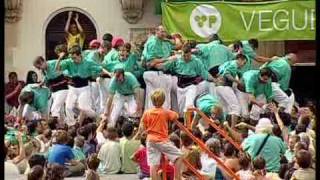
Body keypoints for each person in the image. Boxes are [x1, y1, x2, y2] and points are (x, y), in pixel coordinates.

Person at [55, 45, 112, 126]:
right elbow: (57, 69)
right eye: (72, 58)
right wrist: (60, 58)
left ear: (80, 55)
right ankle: (72, 125)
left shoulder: (88, 62)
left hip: (84, 87)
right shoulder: (69, 61)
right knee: (68, 107)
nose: (73, 60)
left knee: (84, 108)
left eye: (74, 57)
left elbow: (100, 68)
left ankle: (97, 117)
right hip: (73, 87)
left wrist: (109, 73)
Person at [156, 43, 215, 118]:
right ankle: (183, 123)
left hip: (191, 84)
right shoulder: (176, 59)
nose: (186, 58)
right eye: (184, 56)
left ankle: (190, 124)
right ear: (181, 53)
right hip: (180, 84)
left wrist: (214, 79)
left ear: (191, 53)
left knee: (189, 105)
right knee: (181, 107)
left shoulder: (196, 61)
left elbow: (204, 73)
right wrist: (155, 64)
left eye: (188, 56)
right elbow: (164, 67)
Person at [137, 89, 182, 180]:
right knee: (179, 156)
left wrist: (144, 131)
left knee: (153, 165)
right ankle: (177, 178)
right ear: (163, 100)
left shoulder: (147, 112)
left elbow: (142, 125)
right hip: (162, 140)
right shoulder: (165, 112)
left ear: (152, 100)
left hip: (150, 140)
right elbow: (176, 116)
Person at [142, 25, 177, 110]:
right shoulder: (153, 42)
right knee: (158, 100)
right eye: (161, 31)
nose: (163, 34)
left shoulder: (165, 42)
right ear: (156, 31)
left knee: (165, 100)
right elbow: (151, 62)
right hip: (155, 73)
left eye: (165, 32)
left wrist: (172, 38)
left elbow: (178, 44)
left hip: (165, 74)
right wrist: (168, 59)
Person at [33, 53, 69, 122]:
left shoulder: (53, 63)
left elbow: (66, 67)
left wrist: (69, 75)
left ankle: (54, 125)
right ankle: (63, 125)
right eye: (38, 68)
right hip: (54, 91)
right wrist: (41, 83)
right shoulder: (44, 71)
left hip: (62, 88)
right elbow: (46, 77)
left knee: (54, 109)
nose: (40, 69)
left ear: (43, 61)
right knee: (60, 110)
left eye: (40, 66)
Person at [216, 53, 248, 127]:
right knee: (236, 107)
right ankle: (233, 129)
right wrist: (238, 82)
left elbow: (219, 72)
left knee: (225, 109)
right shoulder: (234, 64)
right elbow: (227, 74)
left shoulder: (227, 63)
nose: (243, 65)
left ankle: (223, 128)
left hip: (218, 87)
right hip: (225, 87)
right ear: (239, 59)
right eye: (244, 62)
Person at [85, 41, 112, 114]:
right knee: (92, 100)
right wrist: (107, 73)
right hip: (89, 80)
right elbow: (95, 68)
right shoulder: (93, 55)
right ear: (101, 47)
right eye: (103, 52)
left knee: (98, 101)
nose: (104, 54)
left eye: (106, 53)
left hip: (96, 79)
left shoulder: (102, 56)